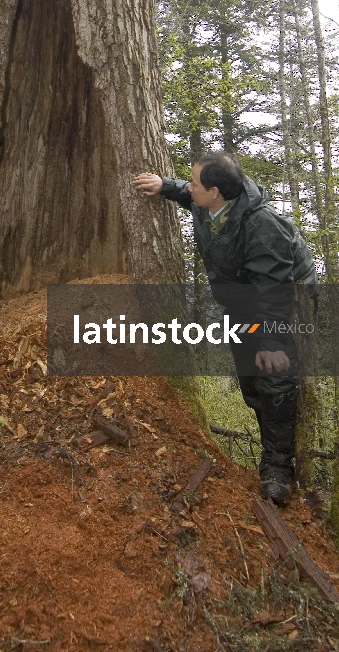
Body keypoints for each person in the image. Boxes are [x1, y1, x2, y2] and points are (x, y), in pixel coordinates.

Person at [133, 151, 316, 506]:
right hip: (243, 304)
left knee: (274, 373)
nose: (190, 187)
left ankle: (278, 469)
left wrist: (272, 341)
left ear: (215, 191)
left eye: (196, 183)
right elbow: (188, 195)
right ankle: (270, 442)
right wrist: (164, 186)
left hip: (283, 304)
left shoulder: (262, 226)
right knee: (250, 378)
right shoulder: (212, 202)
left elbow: (273, 288)